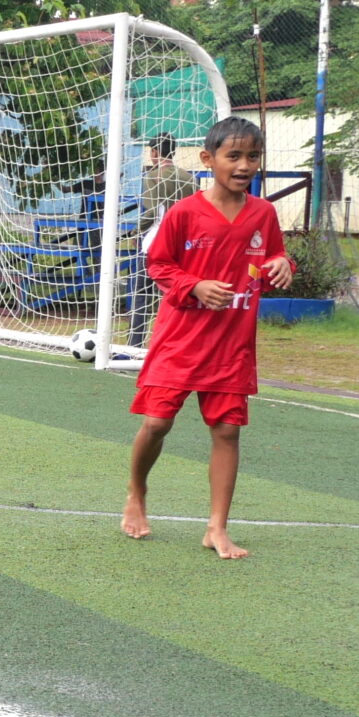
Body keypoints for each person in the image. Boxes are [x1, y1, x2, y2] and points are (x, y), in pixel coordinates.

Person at [121, 117, 291, 559]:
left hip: (232, 345)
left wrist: (281, 266)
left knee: (228, 432)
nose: (244, 165)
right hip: (180, 341)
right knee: (157, 423)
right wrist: (194, 286)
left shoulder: (264, 214)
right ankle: (136, 493)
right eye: (233, 156)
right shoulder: (184, 213)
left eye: (252, 156)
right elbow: (158, 265)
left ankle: (217, 528)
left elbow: (269, 263)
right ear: (207, 159)